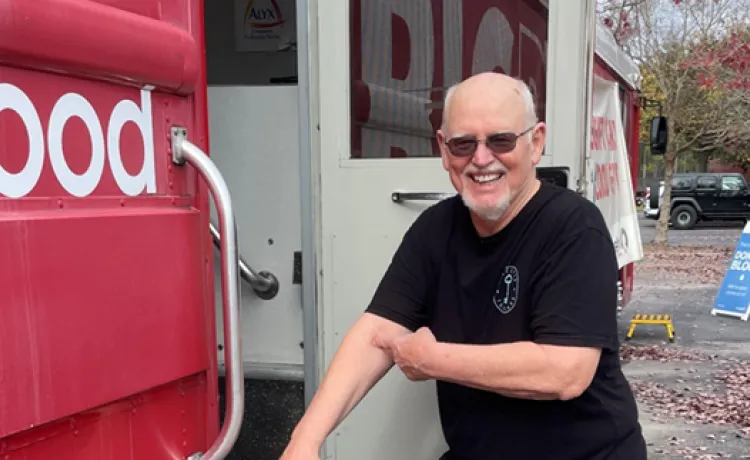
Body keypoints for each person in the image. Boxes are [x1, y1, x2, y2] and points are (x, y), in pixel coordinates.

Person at [280, 72, 647, 460]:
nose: (481, 158)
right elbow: (377, 333)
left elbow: (564, 371)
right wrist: (305, 439)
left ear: (535, 143)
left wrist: (433, 360)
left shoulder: (574, 228)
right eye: (463, 144)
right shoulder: (435, 229)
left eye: (501, 140)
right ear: (443, 149)